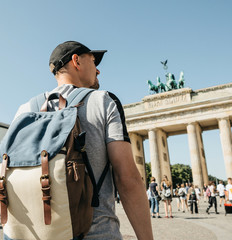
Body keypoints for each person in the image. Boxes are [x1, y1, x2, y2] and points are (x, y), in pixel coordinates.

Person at [11, 41, 153, 239]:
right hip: (96, 233)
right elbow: (127, 178)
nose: (98, 70)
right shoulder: (103, 101)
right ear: (76, 61)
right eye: (94, 61)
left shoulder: (24, 110)